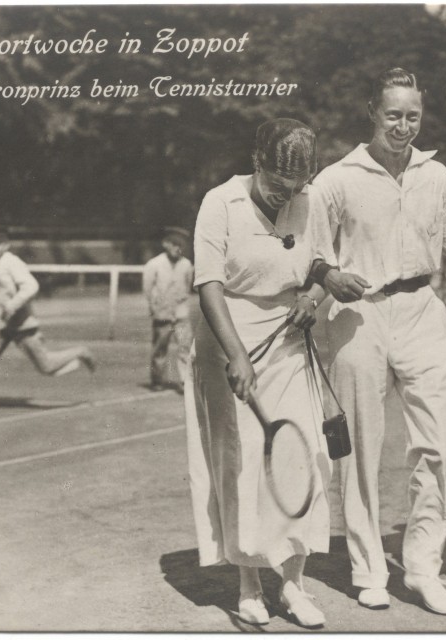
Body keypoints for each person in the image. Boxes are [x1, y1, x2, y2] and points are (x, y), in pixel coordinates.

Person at [309, 68, 446, 615]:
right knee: (360, 448)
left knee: (442, 444)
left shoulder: (437, 176)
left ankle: (422, 568)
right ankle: (368, 569)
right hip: (358, 317)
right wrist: (330, 276)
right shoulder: (336, 179)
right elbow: (309, 251)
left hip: (422, 309)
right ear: (372, 112)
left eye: (412, 116)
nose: (403, 126)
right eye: (393, 115)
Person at [186, 118, 335, 628]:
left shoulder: (310, 200)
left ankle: (293, 583)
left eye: (297, 187)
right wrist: (237, 355)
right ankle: (249, 584)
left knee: (303, 458)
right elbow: (208, 284)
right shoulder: (219, 202)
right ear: (257, 163)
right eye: (278, 186)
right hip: (229, 337)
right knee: (244, 462)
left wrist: (312, 298)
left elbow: (320, 265)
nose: (287, 197)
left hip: (289, 340)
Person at [0, 227, 96, 415]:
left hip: (23, 325)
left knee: (46, 367)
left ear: (6, 245)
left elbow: (31, 286)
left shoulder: (13, 263)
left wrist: (11, 305)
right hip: (0, 326)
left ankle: (81, 352)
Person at [142, 226, 194, 393]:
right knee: (160, 348)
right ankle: (157, 379)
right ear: (166, 244)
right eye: (175, 244)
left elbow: (187, 285)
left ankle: (185, 381)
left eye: (181, 245)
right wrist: (155, 306)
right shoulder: (154, 264)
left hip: (181, 313)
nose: (178, 249)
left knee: (185, 346)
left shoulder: (186, 264)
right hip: (162, 312)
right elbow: (148, 288)